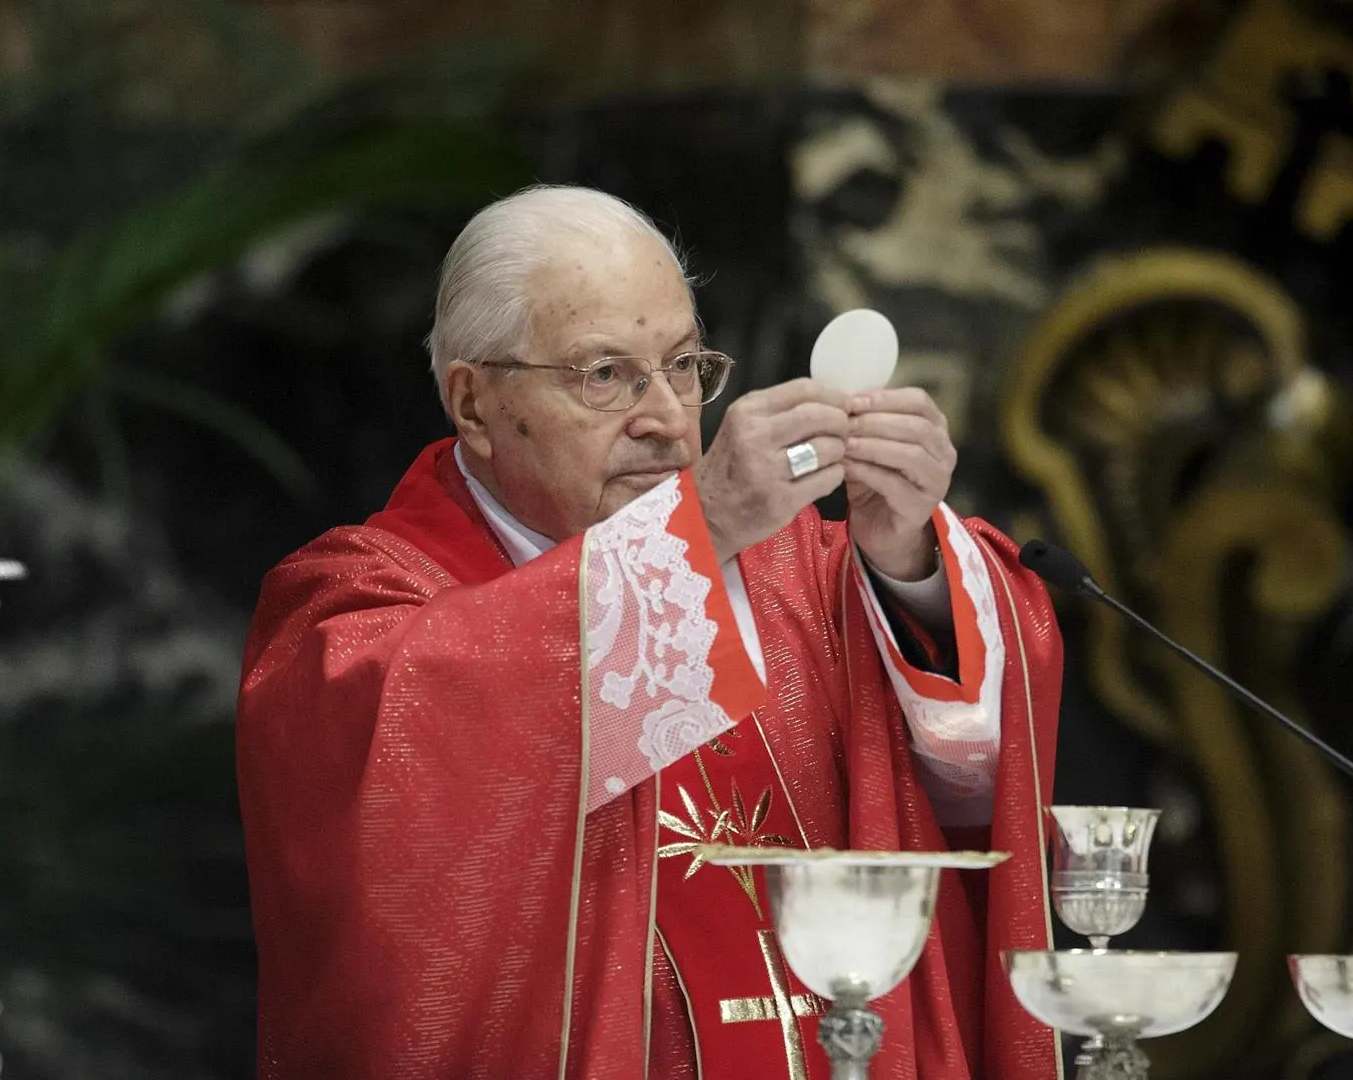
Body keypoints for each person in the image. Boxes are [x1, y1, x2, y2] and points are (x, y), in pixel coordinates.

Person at [236, 184, 1064, 1080]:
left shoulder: (812, 576)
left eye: (682, 366)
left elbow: (978, 776)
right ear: (472, 405)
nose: (668, 417)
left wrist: (906, 557)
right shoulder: (353, 604)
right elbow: (398, 780)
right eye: (604, 375)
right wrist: (696, 534)